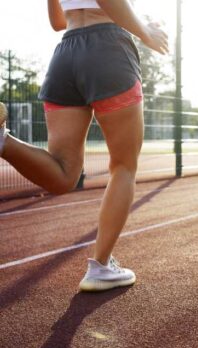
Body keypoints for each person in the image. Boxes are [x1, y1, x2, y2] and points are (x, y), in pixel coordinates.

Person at [0, 0, 168, 292]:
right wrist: (145, 32)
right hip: (109, 49)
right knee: (124, 166)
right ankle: (101, 267)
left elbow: (57, 21)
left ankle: (2, 140)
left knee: (63, 174)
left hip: (66, 54)